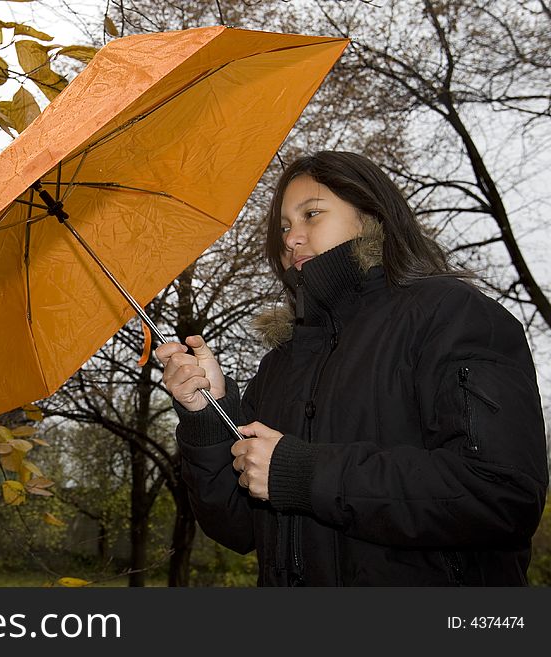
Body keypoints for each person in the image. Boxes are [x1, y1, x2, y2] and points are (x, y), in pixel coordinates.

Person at [156, 151, 549, 586]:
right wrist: (208, 414)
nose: (291, 238)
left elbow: (499, 495)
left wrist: (302, 473)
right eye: (285, 226)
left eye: (312, 214)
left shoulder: (451, 315)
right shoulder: (280, 364)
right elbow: (238, 527)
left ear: (370, 216)